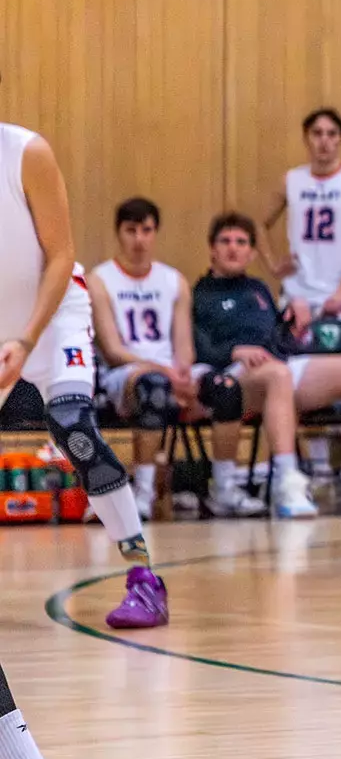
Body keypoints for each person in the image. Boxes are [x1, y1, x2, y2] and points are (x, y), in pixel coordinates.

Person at [0, 126, 164, 637]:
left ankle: (143, 577)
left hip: (52, 318)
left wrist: (25, 340)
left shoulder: (27, 152)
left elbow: (60, 254)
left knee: (73, 425)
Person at [193, 213, 341, 516]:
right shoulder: (199, 295)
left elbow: (279, 340)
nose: (233, 249)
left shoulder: (259, 290)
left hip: (277, 367)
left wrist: (294, 320)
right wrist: (235, 350)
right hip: (233, 378)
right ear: (212, 248)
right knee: (277, 375)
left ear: (251, 252)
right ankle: (286, 481)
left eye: (241, 242)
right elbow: (196, 350)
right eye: (225, 241)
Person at [89, 198, 265, 520]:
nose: (139, 239)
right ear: (119, 234)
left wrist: (182, 373)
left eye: (146, 230)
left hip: (170, 368)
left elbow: (185, 346)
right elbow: (113, 351)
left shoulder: (174, 281)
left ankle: (224, 488)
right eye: (131, 231)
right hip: (126, 373)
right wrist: (166, 373)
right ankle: (142, 495)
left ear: (156, 233)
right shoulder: (99, 280)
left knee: (224, 386)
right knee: (153, 388)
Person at [258, 107, 341, 483]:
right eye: (317, 133)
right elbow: (260, 224)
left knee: (340, 367)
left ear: (340, 139)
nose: (324, 141)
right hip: (297, 292)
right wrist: (274, 263)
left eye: (330, 134)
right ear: (307, 139)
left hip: (337, 295)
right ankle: (278, 466)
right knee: (291, 372)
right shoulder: (291, 181)